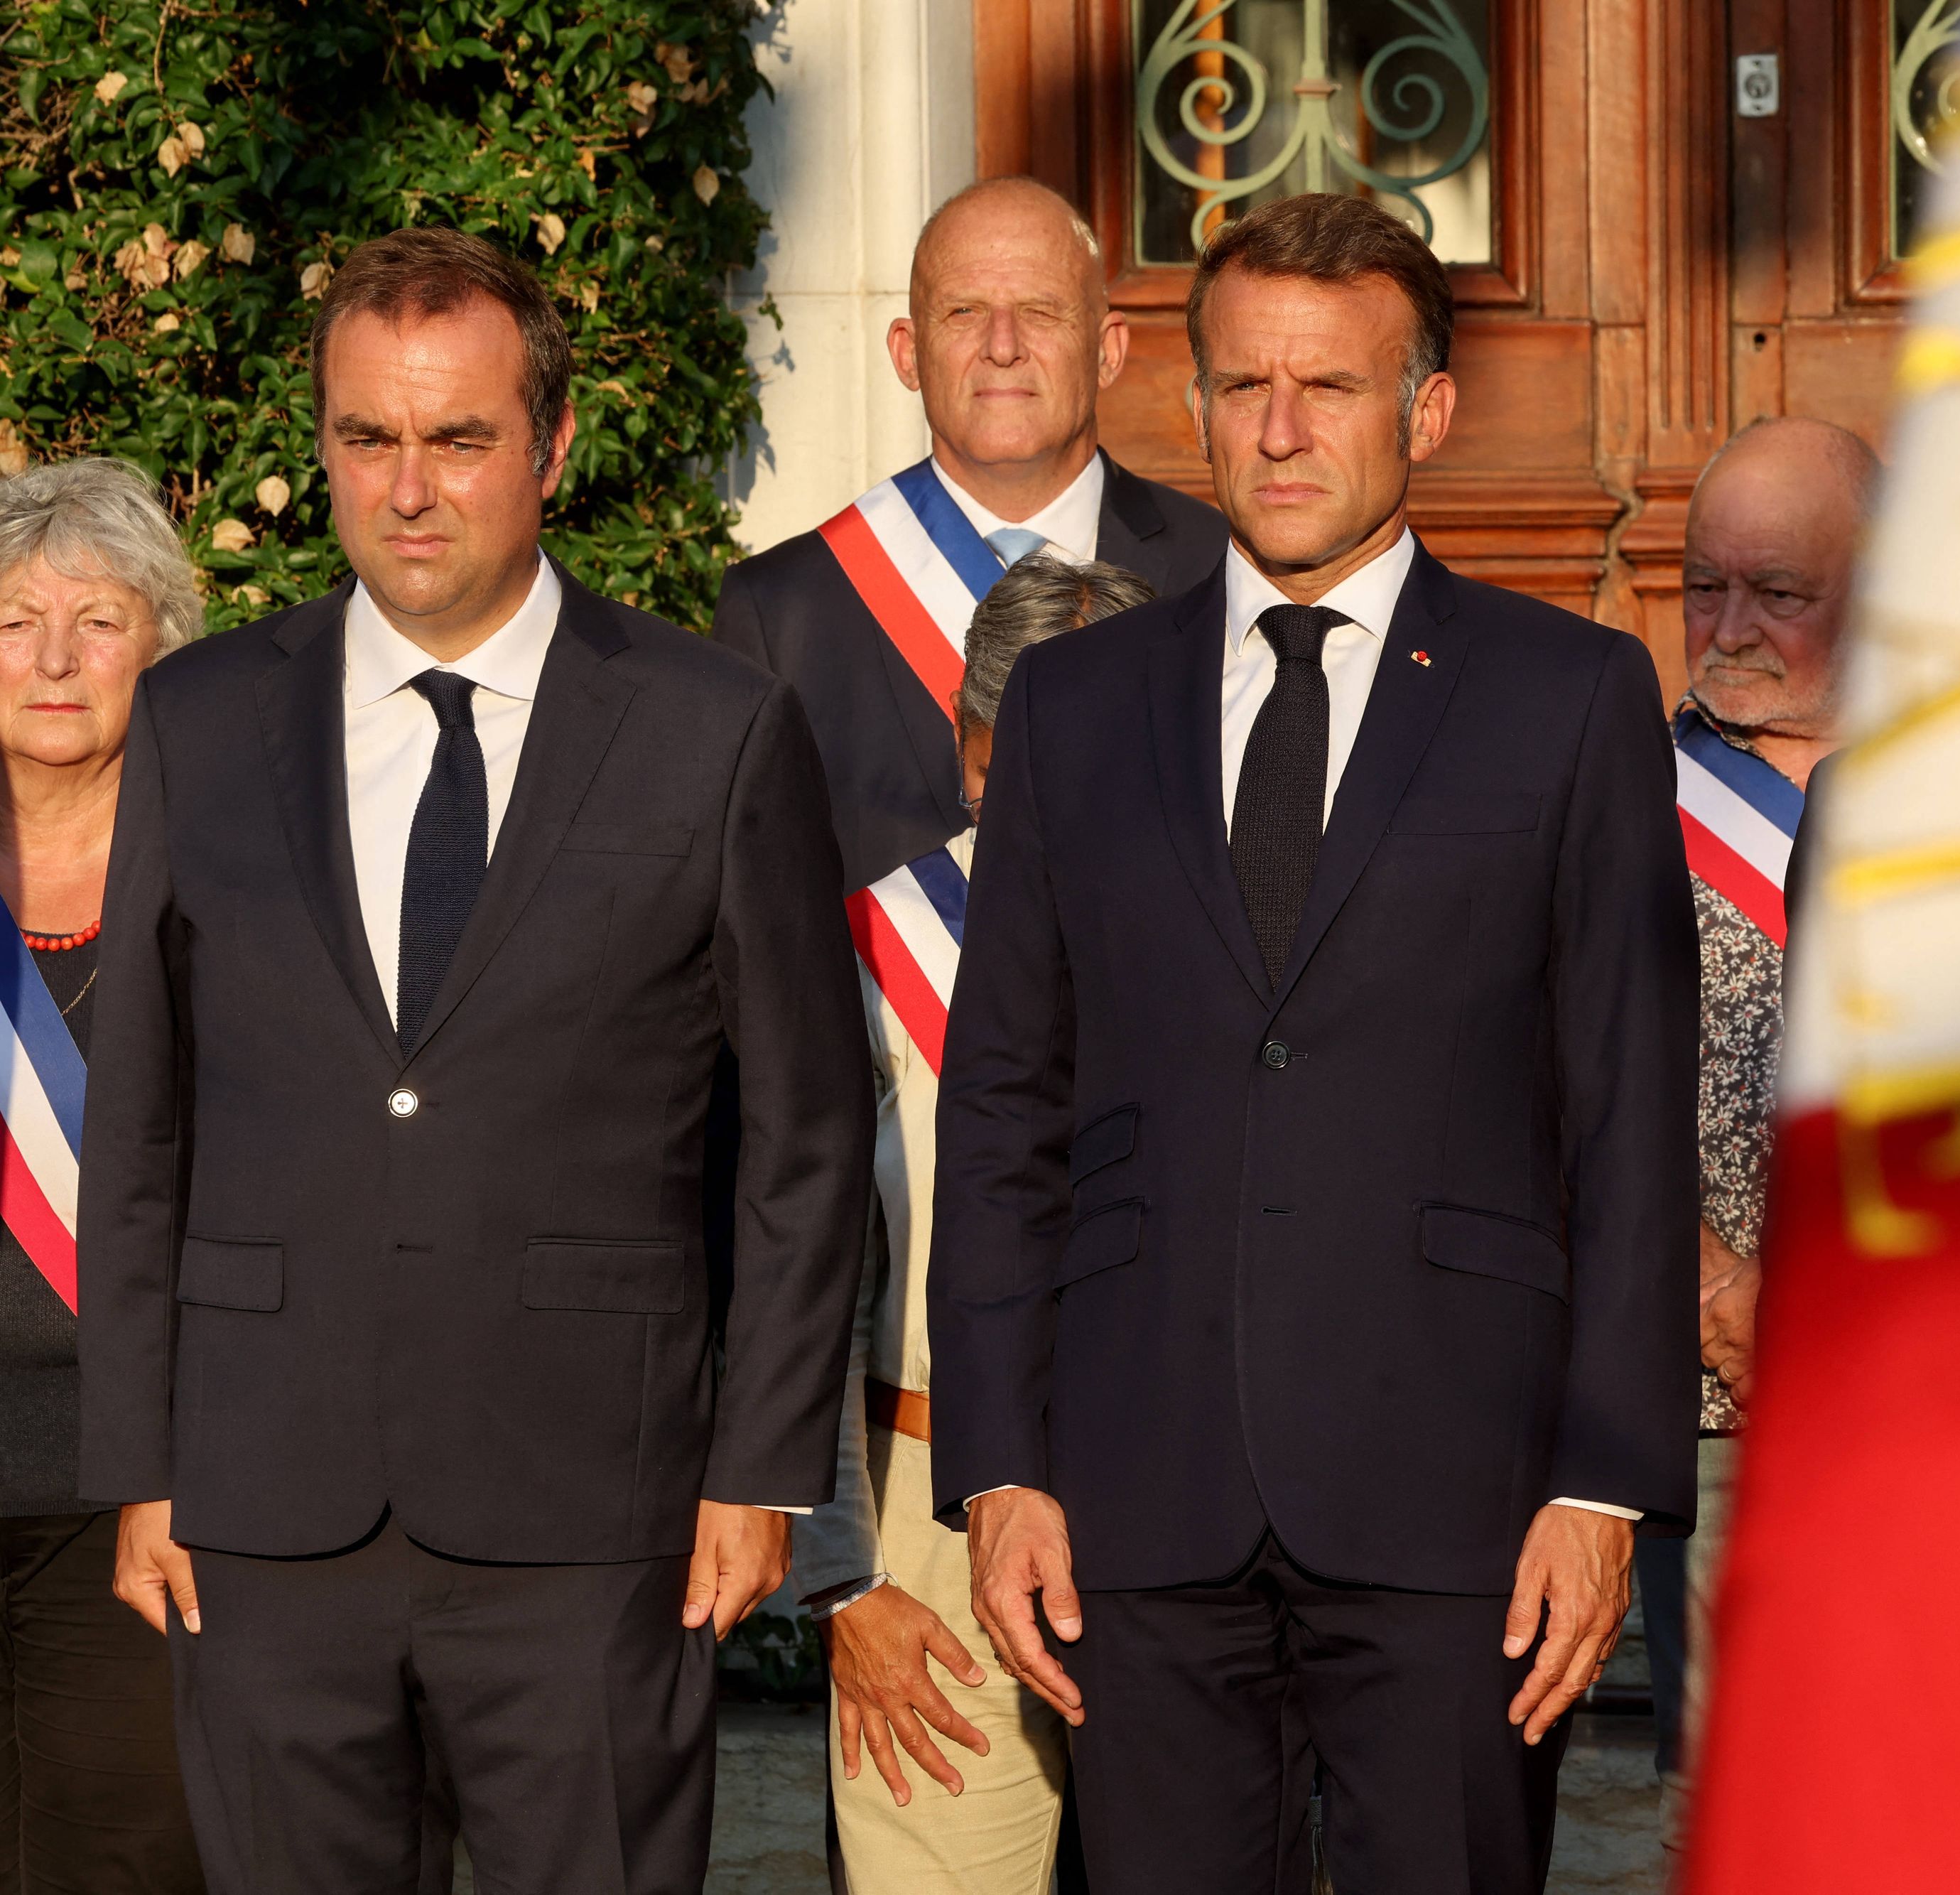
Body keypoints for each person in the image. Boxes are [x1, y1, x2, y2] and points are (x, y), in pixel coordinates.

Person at [75, 227, 871, 1894]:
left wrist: (761, 1469)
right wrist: (141, 1463)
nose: (410, 488)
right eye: (370, 438)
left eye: (459, 438)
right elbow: (142, 1119)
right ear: (326, 445)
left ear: (551, 445)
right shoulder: (201, 721)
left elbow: (805, 1133)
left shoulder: (713, 730)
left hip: (599, 1511)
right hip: (262, 1507)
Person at [930, 191, 1699, 1895]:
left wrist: (1604, 1486)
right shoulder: (1073, 704)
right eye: (1241, 386)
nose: (1278, 433)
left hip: (1465, 1505)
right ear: (1192, 404)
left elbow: (1630, 1118)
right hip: (1139, 1494)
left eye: (1330, 389)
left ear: (1424, 411)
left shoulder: (1567, 700)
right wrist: (995, 1462)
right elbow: (1002, 1107)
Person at [793, 551, 1152, 1893]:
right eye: (1015, 788)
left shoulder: (1257, 943)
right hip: (928, 1535)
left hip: (1187, 1526)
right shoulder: (865, 950)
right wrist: (839, 1577)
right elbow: (795, 1271)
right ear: (962, 740)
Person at [713, 174, 1230, 892]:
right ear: (907, 353)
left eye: (1042, 311)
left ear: (1109, 351)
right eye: (963, 311)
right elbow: (751, 912)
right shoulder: (781, 612)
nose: (1003, 346)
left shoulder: (1224, 568)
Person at [1651, 414, 1875, 1848]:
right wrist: (1717, 1288)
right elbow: (1523, 1073)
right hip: (1713, 1412)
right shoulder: (1596, 790)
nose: (1726, 628)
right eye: (1700, 584)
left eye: (1776, 593)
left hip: (1937, 1401)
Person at [0, 458, 204, 1893]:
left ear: (163, 644)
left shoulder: (242, 878)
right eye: (14, 619)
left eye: (100, 617)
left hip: (137, 1490)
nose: (56, 658)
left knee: (122, 1854)